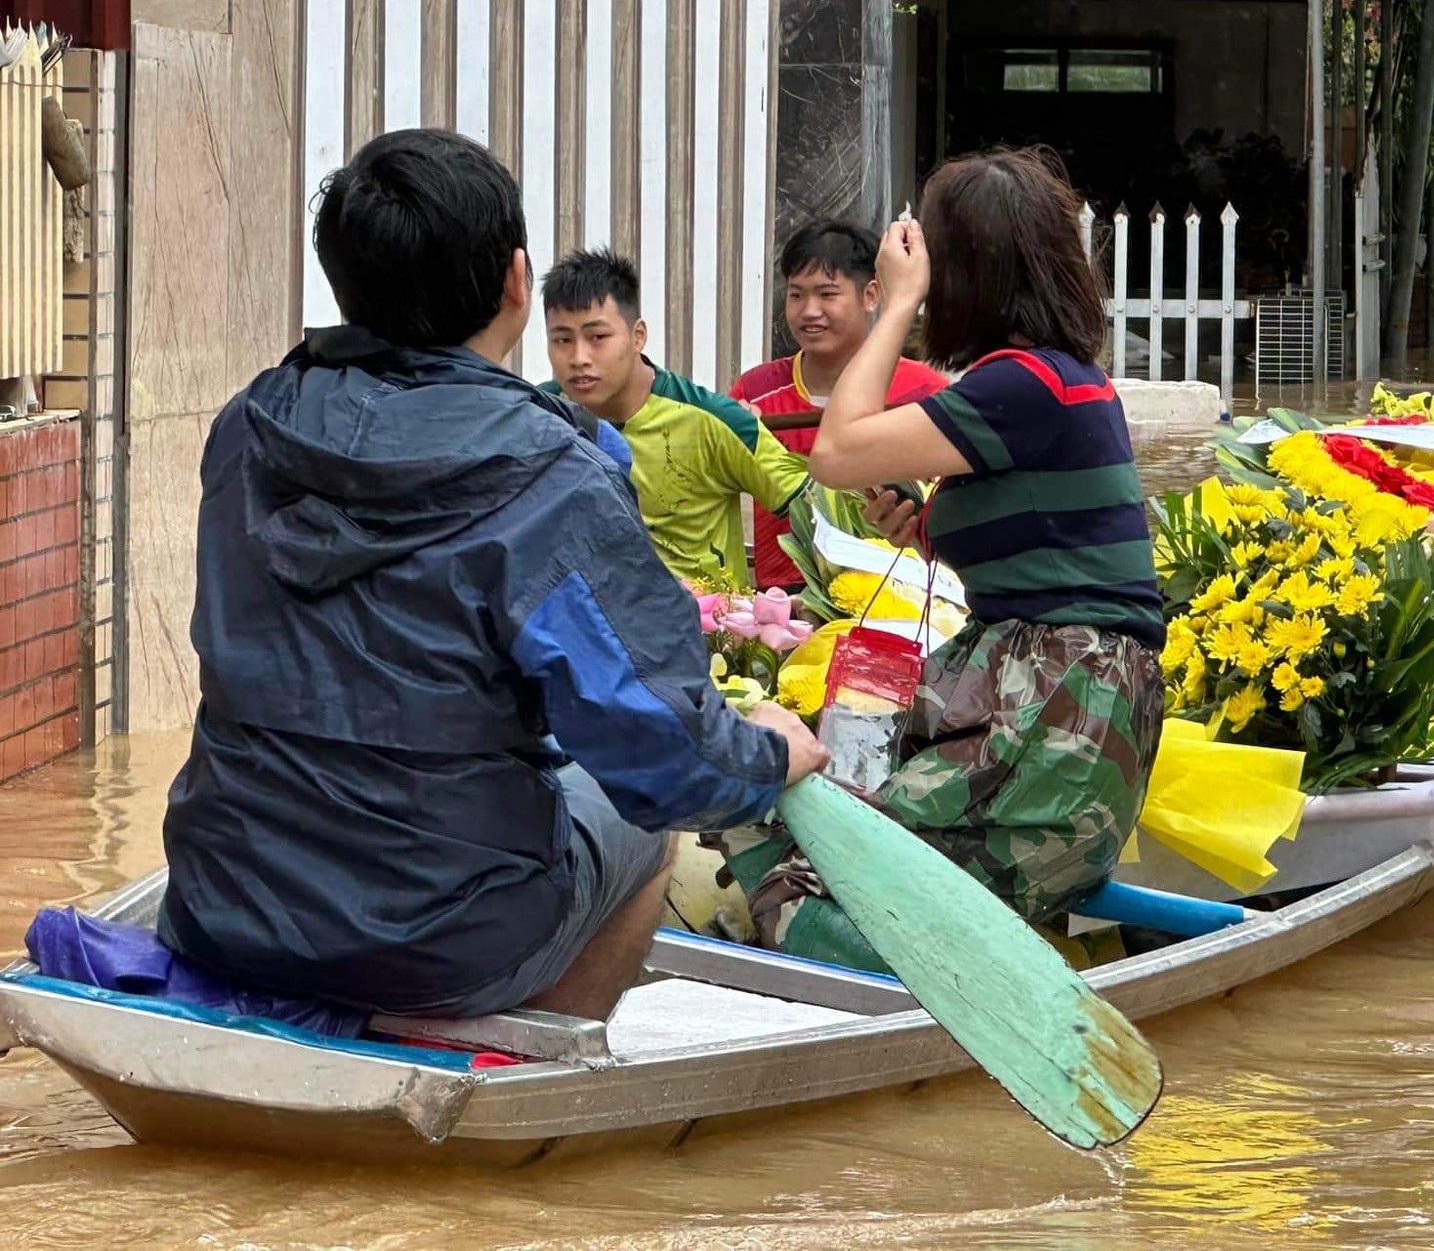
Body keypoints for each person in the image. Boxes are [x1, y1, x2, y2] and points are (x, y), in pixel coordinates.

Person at [158, 129, 825, 1023]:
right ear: (519, 284)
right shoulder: (554, 474)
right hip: (439, 940)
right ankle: (529, 1052)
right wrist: (773, 750)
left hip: (217, 905)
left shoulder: (248, 426)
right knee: (644, 823)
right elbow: (669, 761)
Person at [720, 147, 1165, 970]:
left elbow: (837, 449)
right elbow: (1047, 550)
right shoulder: (1050, 381)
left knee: (806, 880)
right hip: (1037, 692)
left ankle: (886, 973)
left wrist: (893, 306)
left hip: (1061, 712)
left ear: (965, 271)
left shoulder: (1025, 383)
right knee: (768, 793)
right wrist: (923, 527)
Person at [541, 250, 807, 588]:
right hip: (582, 632)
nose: (579, 358)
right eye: (562, 340)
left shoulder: (715, 420)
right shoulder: (538, 416)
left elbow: (818, 517)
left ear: (638, 336)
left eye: (597, 338)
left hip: (704, 635)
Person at [729, 221, 948, 590]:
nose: (809, 311)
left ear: (871, 295)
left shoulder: (926, 391)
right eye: (796, 295)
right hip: (783, 601)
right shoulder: (756, 390)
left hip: (895, 597)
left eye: (827, 294)